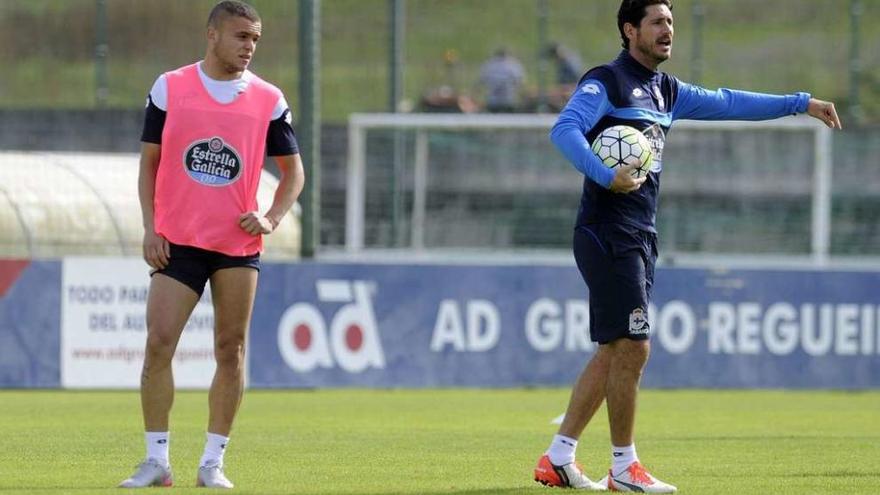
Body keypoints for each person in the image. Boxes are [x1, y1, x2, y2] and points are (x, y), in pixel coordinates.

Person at [533, 0, 841, 492]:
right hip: (607, 230)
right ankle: (622, 467)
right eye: (657, 21)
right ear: (630, 29)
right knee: (634, 345)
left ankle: (559, 457)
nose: (667, 30)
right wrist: (604, 173)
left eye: (671, 22)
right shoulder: (607, 80)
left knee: (616, 350)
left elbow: (728, 102)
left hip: (639, 233)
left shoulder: (666, 90)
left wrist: (799, 102)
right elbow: (563, 129)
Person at [119, 0, 304, 489]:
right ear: (212, 35)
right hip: (177, 241)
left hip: (237, 246)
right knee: (159, 343)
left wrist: (270, 216)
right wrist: (149, 226)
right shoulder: (170, 87)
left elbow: (293, 174)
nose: (250, 47)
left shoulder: (268, 98)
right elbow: (149, 164)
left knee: (231, 347)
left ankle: (212, 463)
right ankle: (157, 461)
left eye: (256, 39)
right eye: (242, 36)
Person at [478, 47, 525, 113]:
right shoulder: (513, 65)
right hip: (508, 99)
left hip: (494, 99)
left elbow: (481, 80)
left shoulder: (489, 65)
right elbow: (519, 81)